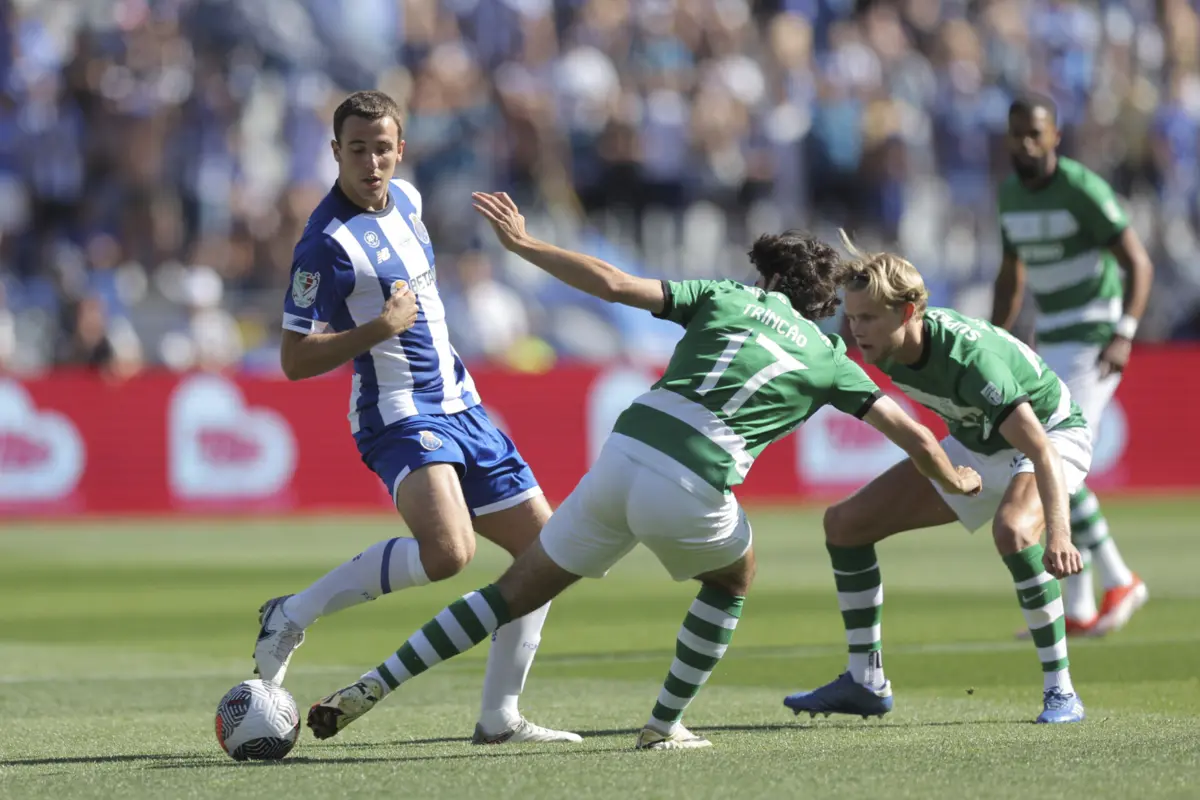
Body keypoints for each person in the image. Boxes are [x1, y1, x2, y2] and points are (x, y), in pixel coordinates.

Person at [304, 191, 981, 750]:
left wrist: (526, 246)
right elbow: (911, 431)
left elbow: (615, 285)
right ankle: (663, 725)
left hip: (622, 455)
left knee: (513, 591)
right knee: (734, 574)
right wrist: (954, 479)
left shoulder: (721, 296)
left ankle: (377, 681)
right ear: (819, 300)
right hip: (690, 479)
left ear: (768, 280)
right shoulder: (830, 356)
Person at [258, 91, 579, 745]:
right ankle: (292, 613)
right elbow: (293, 359)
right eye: (357, 150)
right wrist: (379, 326)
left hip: (463, 403)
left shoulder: (410, 199)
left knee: (548, 556)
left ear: (400, 149)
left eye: (382, 148)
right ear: (335, 154)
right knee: (449, 553)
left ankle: (499, 718)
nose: (371, 162)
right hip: (396, 411)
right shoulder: (323, 244)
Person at [785, 234, 1088, 724]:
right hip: (977, 443)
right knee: (845, 525)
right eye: (852, 315)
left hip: (1053, 439)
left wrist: (1059, 532)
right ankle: (865, 681)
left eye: (866, 318)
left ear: (906, 314)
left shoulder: (970, 360)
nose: (855, 329)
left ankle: (1062, 692)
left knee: (1012, 530)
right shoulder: (880, 348)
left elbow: (1040, 449)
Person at [992, 95, 1152, 637]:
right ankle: (1081, 603)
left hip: (1095, 333)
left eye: (1036, 133)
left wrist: (1125, 332)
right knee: (1055, 461)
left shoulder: (1081, 188)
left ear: (1056, 135)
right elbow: (1011, 273)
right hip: (1053, 335)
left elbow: (1138, 263)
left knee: (1056, 455)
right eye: (1018, 133)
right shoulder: (1011, 196)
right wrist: (993, 335)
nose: (1026, 143)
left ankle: (1118, 577)